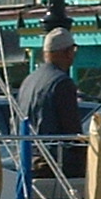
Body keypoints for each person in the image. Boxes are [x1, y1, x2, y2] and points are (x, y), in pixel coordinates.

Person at [15, 27, 85, 177]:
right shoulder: (61, 82)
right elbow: (71, 129)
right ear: (67, 52)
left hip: (27, 159)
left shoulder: (28, 81)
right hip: (52, 163)